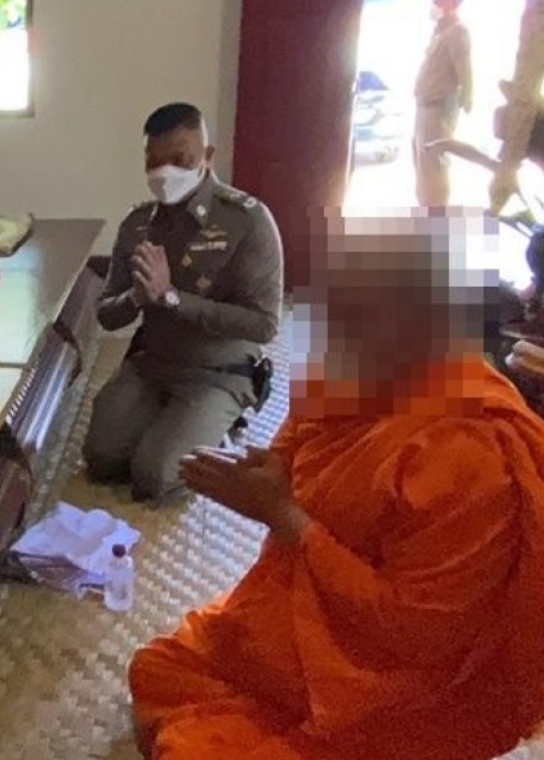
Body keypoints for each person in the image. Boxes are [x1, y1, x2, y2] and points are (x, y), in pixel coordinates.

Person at [129, 210, 544, 760]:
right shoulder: (352, 370)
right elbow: (292, 452)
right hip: (310, 616)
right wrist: (259, 485)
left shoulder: (470, 455)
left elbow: (416, 632)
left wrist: (288, 519)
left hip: (387, 680)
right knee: (158, 670)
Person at [83, 103, 283, 506]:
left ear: (207, 156)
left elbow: (264, 325)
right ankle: (171, 423)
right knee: (101, 457)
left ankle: (222, 421)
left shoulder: (247, 220)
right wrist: (137, 297)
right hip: (152, 362)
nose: (164, 173)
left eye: (180, 160)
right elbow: (107, 314)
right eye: (153, 162)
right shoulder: (138, 223)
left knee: (155, 476)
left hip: (217, 371)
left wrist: (172, 298)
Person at [414, 0, 473, 206]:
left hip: (438, 109)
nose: (433, 4)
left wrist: (467, 98)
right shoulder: (439, 32)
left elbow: (465, 73)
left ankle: (436, 217)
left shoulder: (457, 31)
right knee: (423, 168)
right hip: (424, 107)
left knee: (435, 167)